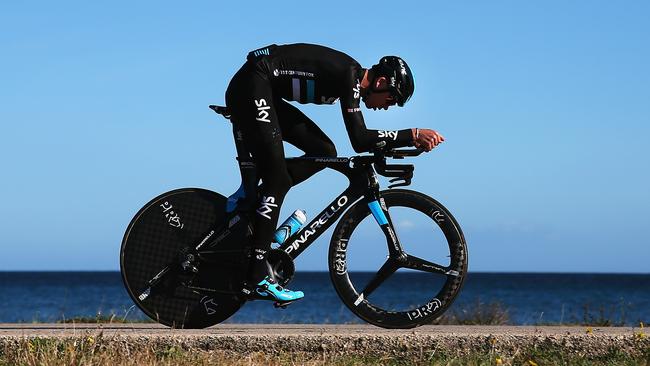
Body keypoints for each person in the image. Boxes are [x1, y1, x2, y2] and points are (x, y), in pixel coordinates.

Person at [224, 43, 444, 304]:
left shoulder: (348, 78)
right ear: (381, 81)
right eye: (391, 98)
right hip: (252, 85)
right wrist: (413, 134)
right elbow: (360, 139)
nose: (387, 107)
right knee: (278, 179)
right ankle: (258, 274)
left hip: (263, 88)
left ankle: (262, 214)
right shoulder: (349, 77)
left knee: (323, 150)